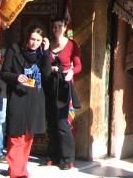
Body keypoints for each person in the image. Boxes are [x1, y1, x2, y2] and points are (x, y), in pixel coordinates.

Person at [1, 25, 51, 178]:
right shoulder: (14, 50)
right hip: (18, 98)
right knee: (16, 136)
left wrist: (47, 52)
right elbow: (4, 73)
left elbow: (47, 74)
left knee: (28, 137)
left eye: (38, 40)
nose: (34, 43)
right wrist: (16, 77)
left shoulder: (42, 55)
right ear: (26, 37)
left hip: (35, 99)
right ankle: (17, 173)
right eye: (32, 39)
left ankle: (19, 168)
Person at [45, 17, 82, 170]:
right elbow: (43, 62)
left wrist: (71, 72)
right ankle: (53, 155)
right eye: (54, 27)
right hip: (50, 84)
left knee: (62, 123)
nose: (56, 29)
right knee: (51, 122)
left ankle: (68, 159)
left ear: (65, 27)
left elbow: (79, 65)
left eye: (60, 26)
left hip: (64, 85)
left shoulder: (72, 45)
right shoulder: (48, 44)